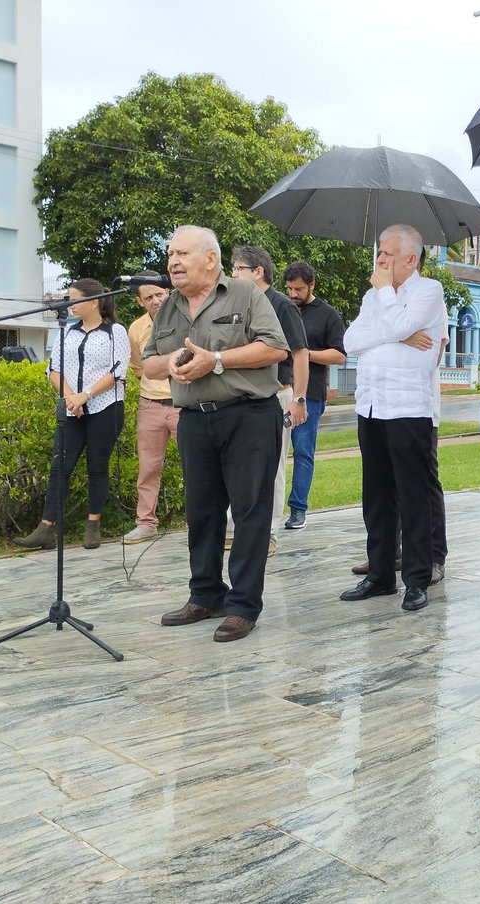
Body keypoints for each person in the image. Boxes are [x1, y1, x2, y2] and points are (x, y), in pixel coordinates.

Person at [141, 226, 288, 643]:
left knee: (249, 513)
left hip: (249, 415)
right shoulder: (168, 306)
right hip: (193, 419)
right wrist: (171, 360)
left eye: (182, 253)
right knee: (202, 512)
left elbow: (275, 348)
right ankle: (205, 595)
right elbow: (148, 364)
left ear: (211, 258)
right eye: (170, 253)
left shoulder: (244, 294)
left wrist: (217, 360)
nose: (172, 261)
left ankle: (243, 605)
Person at [339, 224, 445, 613]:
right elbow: (350, 342)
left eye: (386, 253)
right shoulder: (373, 297)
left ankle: (416, 580)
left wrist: (392, 322)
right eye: (379, 253)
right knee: (377, 495)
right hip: (370, 406)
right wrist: (397, 333)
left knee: (413, 496)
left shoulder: (429, 291)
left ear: (410, 259)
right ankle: (380, 575)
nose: (379, 260)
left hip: (407, 410)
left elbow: (401, 324)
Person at [15, 278, 130, 551]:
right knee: (59, 466)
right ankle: (46, 528)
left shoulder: (115, 332)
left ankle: (93, 525)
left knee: (97, 466)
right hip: (71, 408)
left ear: (94, 302)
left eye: (75, 299)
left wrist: (86, 395)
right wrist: (71, 399)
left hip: (106, 407)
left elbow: (117, 371)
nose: (70, 304)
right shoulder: (66, 331)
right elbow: (53, 369)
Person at [229, 245, 309, 557]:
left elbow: (301, 353)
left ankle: (269, 533)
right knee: (237, 467)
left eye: (238, 269)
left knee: (272, 467)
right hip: (240, 396)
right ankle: (234, 529)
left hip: (277, 394)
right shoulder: (237, 303)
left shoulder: (281, 305)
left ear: (258, 272)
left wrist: (299, 399)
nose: (233, 275)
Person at [283, 261, 346, 530]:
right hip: (277, 390)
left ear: (312, 285)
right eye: (289, 289)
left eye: (299, 289)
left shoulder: (328, 315)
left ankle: (298, 509)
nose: (294, 294)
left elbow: (340, 355)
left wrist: (304, 354)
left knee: (303, 452)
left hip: (310, 395)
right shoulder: (282, 309)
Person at [123, 273, 178, 544]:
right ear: (139, 300)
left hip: (183, 404)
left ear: (168, 293)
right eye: (149, 297)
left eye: (159, 294)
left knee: (199, 465)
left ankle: (208, 521)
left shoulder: (185, 320)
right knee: (147, 468)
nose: (155, 301)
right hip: (150, 405)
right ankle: (146, 522)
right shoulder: (136, 329)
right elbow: (138, 369)